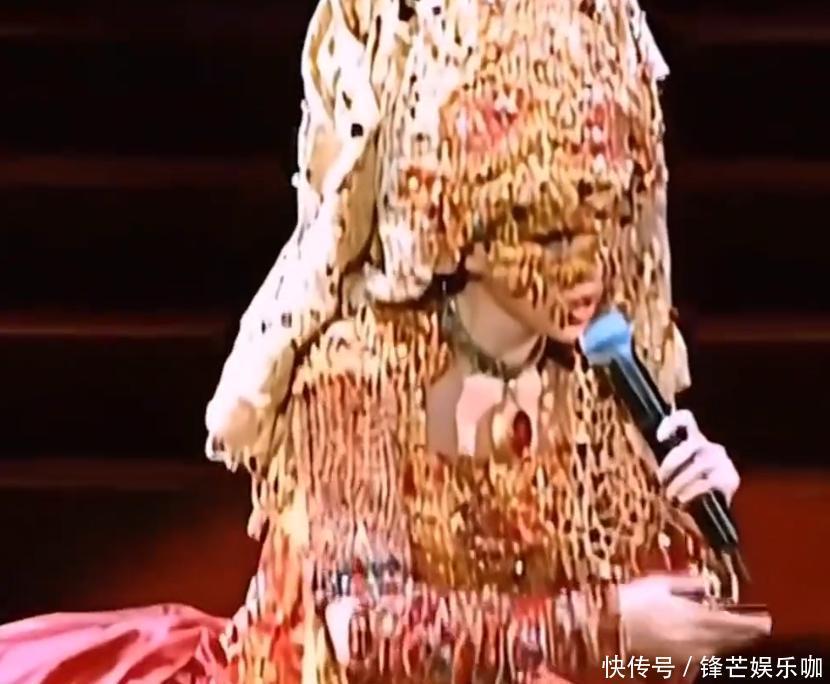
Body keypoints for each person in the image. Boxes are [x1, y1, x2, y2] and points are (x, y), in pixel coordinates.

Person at [0, 1, 770, 682]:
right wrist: (606, 624)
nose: (583, 270)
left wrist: (697, 526)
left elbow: (666, 645)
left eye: (599, 225)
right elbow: (363, 631)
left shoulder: (592, 384)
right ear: (465, 232)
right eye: (547, 234)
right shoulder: (360, 372)